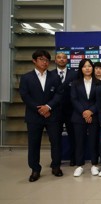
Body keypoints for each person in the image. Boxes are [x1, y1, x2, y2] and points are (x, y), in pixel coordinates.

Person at [19, 49, 64, 182]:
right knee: (34, 144)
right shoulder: (26, 77)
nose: (44, 62)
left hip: (52, 115)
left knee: (56, 142)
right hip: (34, 116)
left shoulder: (55, 77)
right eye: (41, 59)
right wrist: (39, 109)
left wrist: (48, 107)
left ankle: (56, 166)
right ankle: (35, 169)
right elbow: (25, 95)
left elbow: (59, 94)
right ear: (34, 61)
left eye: (46, 60)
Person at [71, 59, 101, 177]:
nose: (87, 68)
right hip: (79, 117)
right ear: (81, 69)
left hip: (94, 116)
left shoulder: (99, 83)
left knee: (94, 141)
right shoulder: (75, 83)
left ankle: (94, 164)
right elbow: (74, 99)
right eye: (84, 66)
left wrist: (90, 111)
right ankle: (79, 166)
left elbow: (99, 100)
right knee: (79, 142)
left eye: (89, 66)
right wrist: (84, 112)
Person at [52, 52, 77, 166]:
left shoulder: (74, 74)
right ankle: (56, 161)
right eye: (59, 58)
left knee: (73, 136)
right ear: (55, 60)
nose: (61, 60)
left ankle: (73, 158)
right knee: (55, 138)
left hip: (71, 111)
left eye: (64, 58)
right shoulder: (50, 75)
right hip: (55, 111)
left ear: (67, 60)